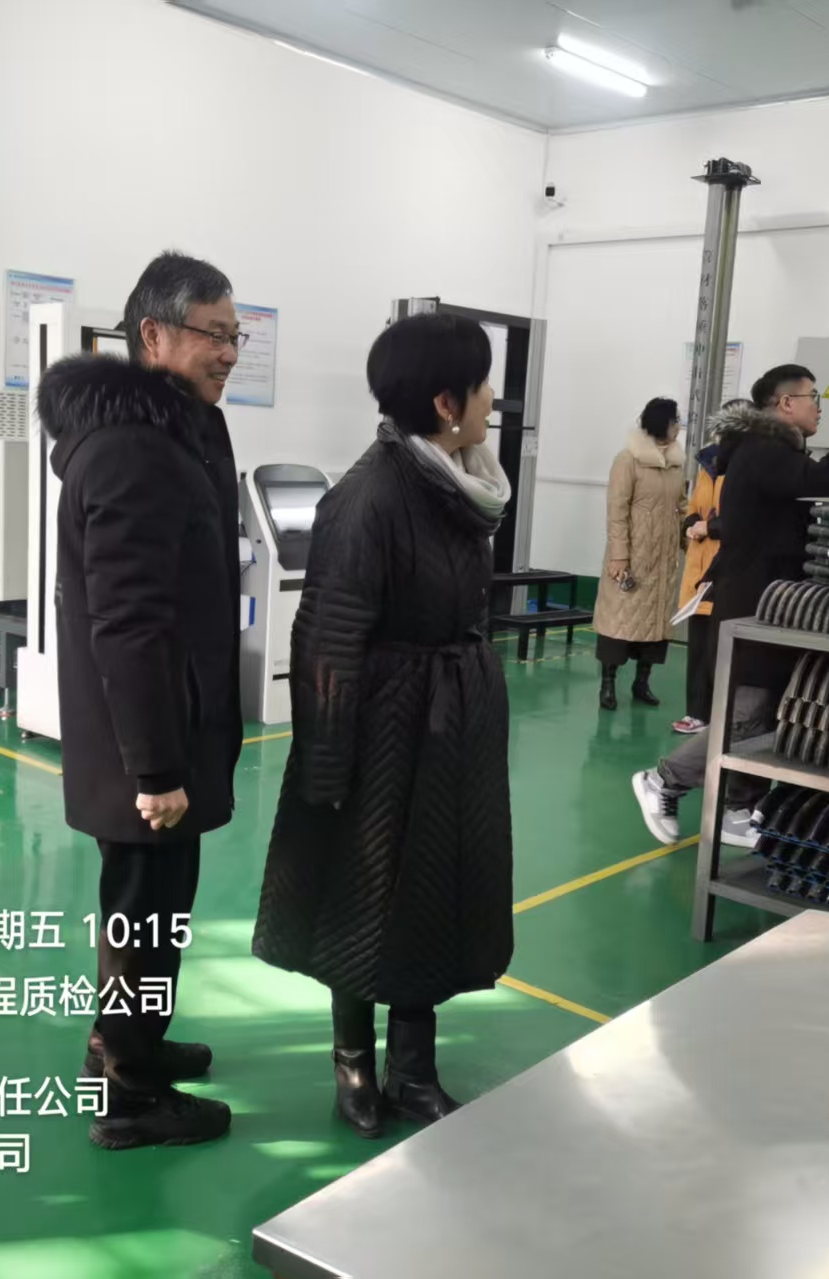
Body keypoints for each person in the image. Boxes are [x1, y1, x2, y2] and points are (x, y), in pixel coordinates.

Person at [253, 312, 515, 1139]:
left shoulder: (463, 483)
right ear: (445, 400)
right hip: (382, 731)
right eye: (482, 383)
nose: (494, 397)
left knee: (434, 895)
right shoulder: (368, 497)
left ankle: (415, 1068)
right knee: (362, 897)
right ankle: (353, 1065)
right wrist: (328, 765)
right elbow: (327, 636)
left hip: (453, 724)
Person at [38, 251, 244, 1150]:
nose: (228, 352)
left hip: (162, 721)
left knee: (152, 908)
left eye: (236, 337)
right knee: (145, 914)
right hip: (147, 742)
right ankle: (128, 1094)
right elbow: (128, 621)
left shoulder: (170, 433)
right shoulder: (134, 448)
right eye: (213, 334)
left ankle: (126, 1044)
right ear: (153, 335)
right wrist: (156, 768)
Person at [632, 365, 829, 845]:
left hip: (774, 602)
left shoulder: (772, 453)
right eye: (814, 398)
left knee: (767, 711)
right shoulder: (763, 450)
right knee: (747, 713)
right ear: (786, 403)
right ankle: (664, 779)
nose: (819, 408)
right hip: (752, 603)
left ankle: (738, 809)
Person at [593, 398, 685, 710]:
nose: (679, 426)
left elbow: (681, 505)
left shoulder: (676, 463)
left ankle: (642, 682)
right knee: (618, 623)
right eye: (675, 420)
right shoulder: (628, 460)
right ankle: (608, 684)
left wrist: (690, 536)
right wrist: (619, 556)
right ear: (661, 422)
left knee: (655, 626)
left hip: (662, 561)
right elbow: (616, 512)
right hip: (632, 559)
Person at [672, 398, 749, 735]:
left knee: (723, 650)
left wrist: (712, 528)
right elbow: (694, 506)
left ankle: (723, 718)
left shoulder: (746, 468)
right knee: (699, 646)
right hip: (698, 569)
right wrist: (692, 523)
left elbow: (744, 519)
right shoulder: (706, 463)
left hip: (727, 570)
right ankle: (696, 714)